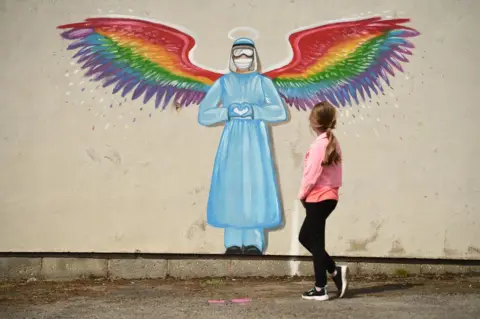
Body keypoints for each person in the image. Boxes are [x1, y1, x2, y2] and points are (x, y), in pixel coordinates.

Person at [198, 38, 288, 255]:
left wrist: (254, 111)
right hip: (231, 144)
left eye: (247, 54)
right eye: (238, 54)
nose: (243, 59)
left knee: (255, 186)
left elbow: (279, 111)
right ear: (232, 56)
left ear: (254, 56)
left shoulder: (263, 82)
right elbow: (203, 114)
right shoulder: (223, 83)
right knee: (231, 188)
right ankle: (232, 242)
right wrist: (227, 112)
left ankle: (254, 243)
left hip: (256, 143)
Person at [297, 101, 348, 300]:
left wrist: (302, 194)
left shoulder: (320, 144)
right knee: (305, 237)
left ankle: (320, 289)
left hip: (318, 198)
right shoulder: (331, 141)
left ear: (314, 121)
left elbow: (311, 174)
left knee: (316, 243)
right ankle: (334, 271)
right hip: (328, 197)